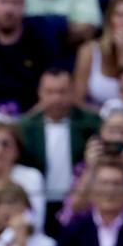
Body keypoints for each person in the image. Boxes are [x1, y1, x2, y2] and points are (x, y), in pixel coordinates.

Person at [18, 67, 100, 216]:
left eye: (62, 91)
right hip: (39, 203)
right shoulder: (26, 127)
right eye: (50, 92)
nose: (56, 98)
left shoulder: (91, 123)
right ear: (40, 93)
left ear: (72, 92)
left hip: (80, 203)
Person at [73, 0, 123, 108]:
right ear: (110, 21)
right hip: (96, 118)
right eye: (119, 15)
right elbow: (78, 101)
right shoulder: (89, 52)